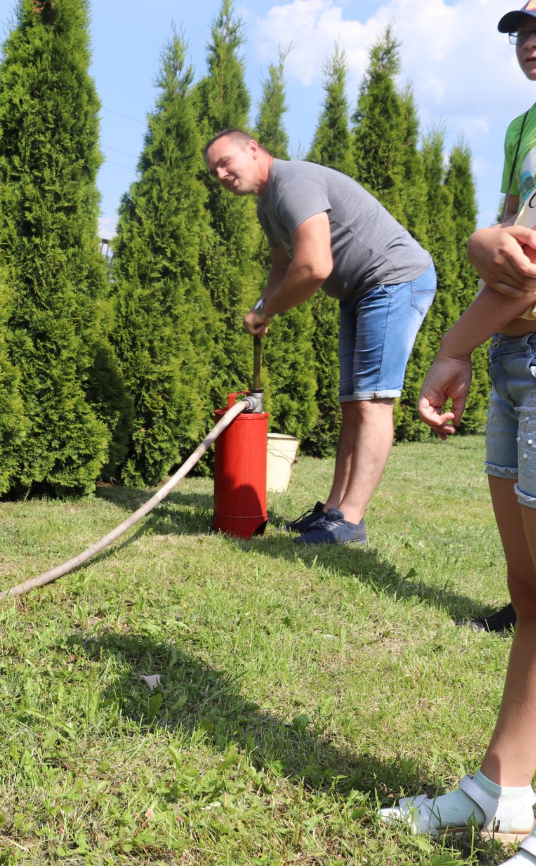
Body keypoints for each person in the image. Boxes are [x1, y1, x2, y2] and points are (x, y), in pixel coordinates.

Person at [379, 6, 536, 856]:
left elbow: (521, 254)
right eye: (520, 26)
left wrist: (448, 344)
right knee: (532, 592)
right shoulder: (523, 126)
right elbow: (511, 249)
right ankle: (502, 787)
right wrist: (474, 342)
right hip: (519, 363)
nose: (530, 36)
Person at [204, 129, 437, 545]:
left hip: (394, 279)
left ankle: (350, 521)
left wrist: (268, 309)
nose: (221, 174)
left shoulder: (292, 184)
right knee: (353, 403)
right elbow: (282, 267)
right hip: (361, 291)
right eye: (214, 170)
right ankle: (333, 511)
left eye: (226, 162)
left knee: (373, 402)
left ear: (253, 149)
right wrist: (263, 306)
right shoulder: (267, 206)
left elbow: (314, 266)